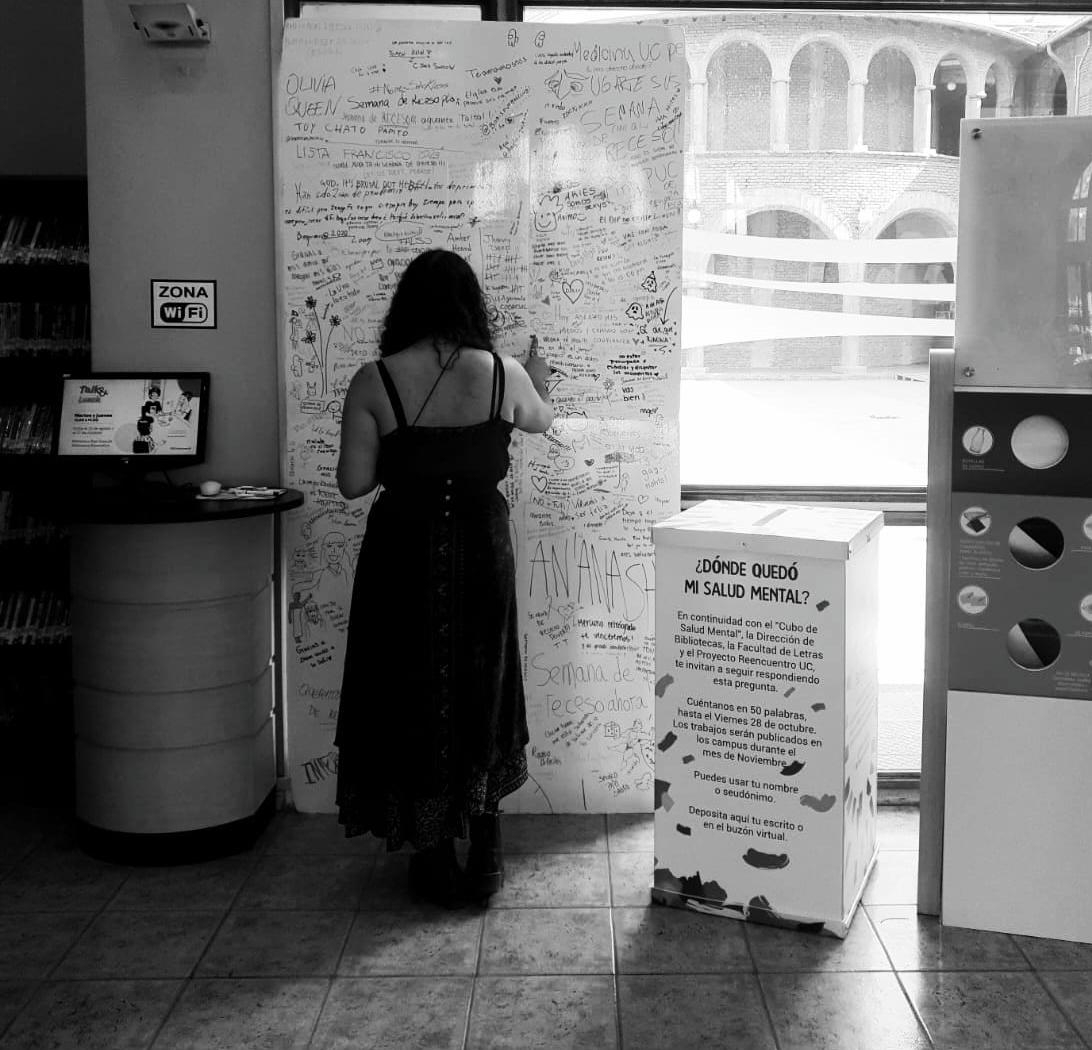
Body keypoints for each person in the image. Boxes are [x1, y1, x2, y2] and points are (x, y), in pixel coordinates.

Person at [334, 248, 553, 907]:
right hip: (483, 549)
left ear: (405, 308)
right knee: (484, 685)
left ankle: (432, 856)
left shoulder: (374, 381)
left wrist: (409, 453)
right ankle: (486, 852)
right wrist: (539, 380)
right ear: (470, 305)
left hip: (403, 552)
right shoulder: (505, 373)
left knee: (411, 688)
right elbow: (540, 420)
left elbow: (353, 484)